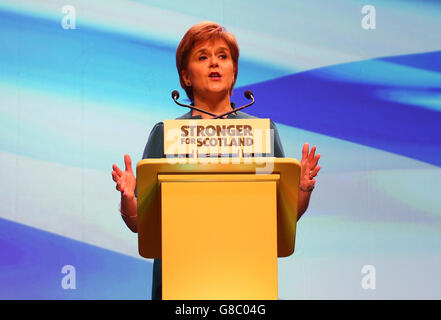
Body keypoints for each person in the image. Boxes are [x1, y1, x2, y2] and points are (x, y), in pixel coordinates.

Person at [111, 21, 321, 300]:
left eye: (223, 56)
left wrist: (303, 189)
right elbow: (140, 224)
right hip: (178, 286)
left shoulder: (263, 133)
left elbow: (283, 217)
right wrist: (128, 197)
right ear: (186, 76)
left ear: (233, 72)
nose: (215, 63)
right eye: (203, 56)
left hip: (247, 282)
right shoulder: (167, 134)